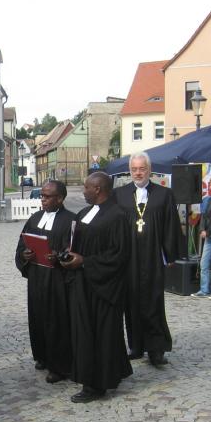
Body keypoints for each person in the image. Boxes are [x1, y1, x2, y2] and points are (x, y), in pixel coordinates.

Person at [62, 172, 132, 402]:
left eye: (86, 187)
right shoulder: (84, 213)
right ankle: (112, 372)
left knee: (101, 334)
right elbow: (76, 241)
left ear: (98, 189)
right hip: (83, 284)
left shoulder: (118, 216)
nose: (83, 191)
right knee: (87, 332)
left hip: (104, 287)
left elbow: (119, 254)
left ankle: (95, 385)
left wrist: (85, 262)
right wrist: (68, 254)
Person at [113, 153, 183, 366]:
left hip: (153, 256)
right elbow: (112, 225)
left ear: (149, 170)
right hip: (128, 257)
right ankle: (136, 345)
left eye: (142, 168)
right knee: (131, 302)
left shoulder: (164, 194)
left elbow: (171, 224)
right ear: (129, 170)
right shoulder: (119, 195)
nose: (138, 173)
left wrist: (171, 254)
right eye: (134, 169)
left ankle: (156, 348)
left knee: (153, 301)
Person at [14, 180, 74, 383]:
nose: (43, 200)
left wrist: (59, 257)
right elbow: (22, 244)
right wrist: (25, 254)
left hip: (57, 280)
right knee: (38, 317)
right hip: (37, 277)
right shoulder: (35, 218)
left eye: (48, 197)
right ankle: (42, 355)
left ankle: (59, 366)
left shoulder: (71, 220)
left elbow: (74, 249)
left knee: (56, 321)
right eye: (42, 196)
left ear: (60, 198)